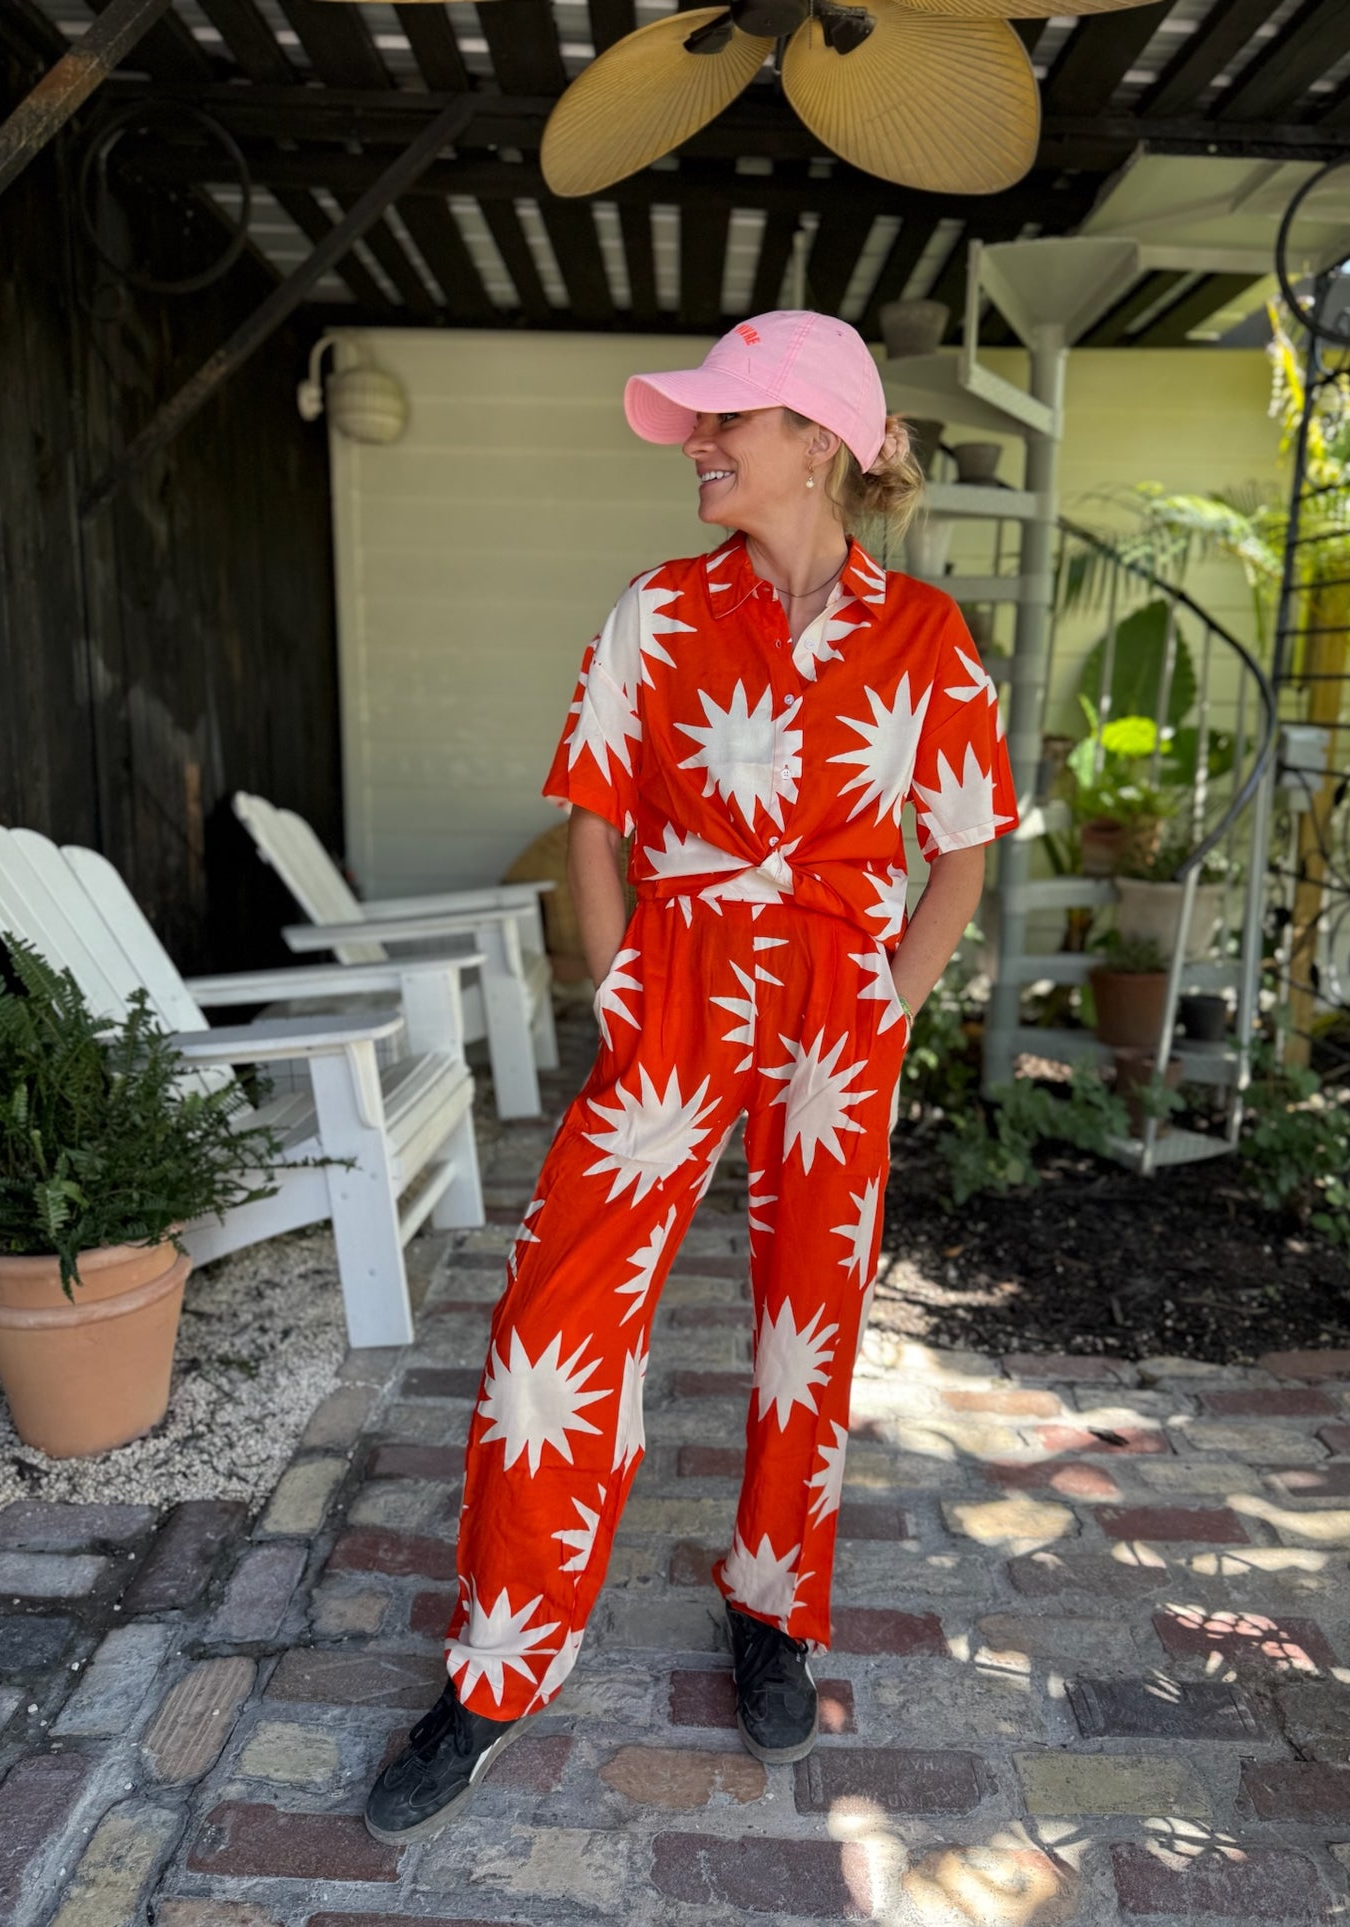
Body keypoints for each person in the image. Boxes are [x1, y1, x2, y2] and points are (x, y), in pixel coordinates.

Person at [364, 309, 1019, 1845]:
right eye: (700, 422)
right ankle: (499, 1665)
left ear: (822, 443)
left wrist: (888, 1004)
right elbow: (592, 818)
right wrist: (619, 992)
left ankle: (771, 1606)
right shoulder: (657, 610)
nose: (699, 444)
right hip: (679, 979)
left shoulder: (924, 636)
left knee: (809, 1322)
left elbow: (962, 852)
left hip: (838, 1001)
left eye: (729, 419)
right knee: (555, 1311)